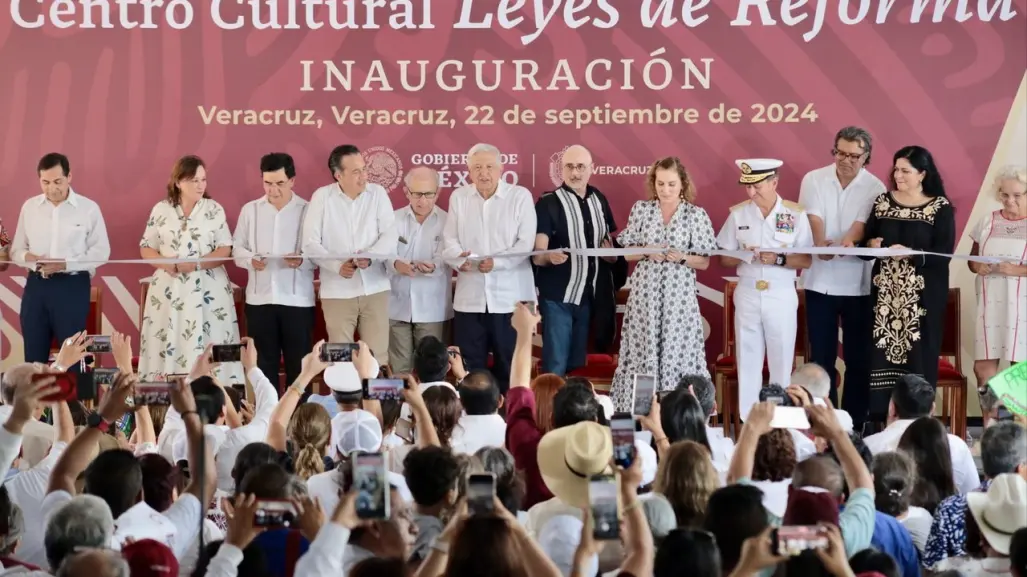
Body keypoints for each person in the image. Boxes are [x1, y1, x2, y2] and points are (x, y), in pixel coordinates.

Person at [609, 157, 717, 411]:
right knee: (643, 354)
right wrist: (647, 252)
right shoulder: (642, 210)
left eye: (671, 184)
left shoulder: (695, 214)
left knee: (677, 354)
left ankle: (678, 414)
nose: (665, 189)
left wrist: (681, 257)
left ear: (682, 184)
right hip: (645, 298)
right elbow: (626, 253)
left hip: (679, 300)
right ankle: (641, 415)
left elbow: (703, 262)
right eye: (660, 183)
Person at [859, 146, 955, 421]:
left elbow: (943, 255)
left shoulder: (940, 207)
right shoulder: (883, 202)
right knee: (879, 355)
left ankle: (918, 420)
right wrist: (872, 243)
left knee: (919, 356)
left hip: (922, 299)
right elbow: (867, 240)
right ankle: (880, 419)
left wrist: (912, 255)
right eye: (896, 168)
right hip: (885, 297)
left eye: (905, 170)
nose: (897, 175)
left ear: (922, 174)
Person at [798, 127, 886, 427]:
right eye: (840, 153)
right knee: (821, 359)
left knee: (857, 361)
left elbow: (861, 223)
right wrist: (820, 244)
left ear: (866, 157)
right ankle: (825, 420)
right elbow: (814, 216)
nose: (845, 160)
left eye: (853, 155)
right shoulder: (813, 178)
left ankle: (853, 422)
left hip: (858, 284)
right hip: (818, 282)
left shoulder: (874, 186)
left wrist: (847, 243)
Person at [717, 158, 813, 420]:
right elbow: (723, 257)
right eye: (747, 187)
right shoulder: (738, 214)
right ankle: (751, 423)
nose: (752, 192)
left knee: (781, 360)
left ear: (774, 183)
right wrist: (744, 255)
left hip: (780, 291)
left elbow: (806, 259)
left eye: (757, 185)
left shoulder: (795, 214)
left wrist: (778, 258)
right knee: (748, 361)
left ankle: (779, 420)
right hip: (748, 290)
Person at [137, 155, 242, 383]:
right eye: (194, 180)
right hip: (168, 290)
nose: (200, 185)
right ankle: (160, 407)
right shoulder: (161, 209)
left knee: (213, 342)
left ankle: (222, 404)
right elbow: (146, 247)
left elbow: (225, 249)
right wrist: (167, 263)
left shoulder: (213, 209)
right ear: (178, 182)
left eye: (203, 180)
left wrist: (195, 263)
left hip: (208, 291)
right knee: (165, 342)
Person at [441, 143, 536, 393]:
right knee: (472, 369)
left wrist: (497, 263)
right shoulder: (459, 197)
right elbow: (448, 240)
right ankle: (475, 420)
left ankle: (511, 421)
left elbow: (526, 244)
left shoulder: (519, 196)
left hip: (511, 301)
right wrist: (460, 259)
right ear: (469, 171)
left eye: (489, 167)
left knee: (511, 366)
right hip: (470, 299)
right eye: (477, 168)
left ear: (501, 168)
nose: (484, 173)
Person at [11, 152, 110, 368]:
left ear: (69, 177)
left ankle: (74, 402)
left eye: (57, 181)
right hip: (36, 286)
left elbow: (102, 251)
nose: (51, 188)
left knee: (73, 356)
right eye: (45, 182)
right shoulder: (29, 208)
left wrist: (66, 264)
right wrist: (29, 258)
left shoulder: (88, 209)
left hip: (72, 286)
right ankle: (36, 402)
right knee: (33, 357)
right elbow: (16, 250)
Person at [302, 144, 397, 367]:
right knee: (340, 359)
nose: (364, 176)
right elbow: (310, 243)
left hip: (375, 287)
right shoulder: (322, 197)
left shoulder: (378, 194)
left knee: (377, 359)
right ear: (338, 175)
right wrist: (337, 266)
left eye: (364, 169)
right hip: (337, 291)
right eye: (356, 172)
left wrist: (371, 256)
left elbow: (390, 235)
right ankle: (345, 403)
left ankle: (378, 402)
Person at [533, 144, 621, 376]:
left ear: (592, 169)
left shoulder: (599, 199)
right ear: (561, 170)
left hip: (588, 299)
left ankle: (572, 412)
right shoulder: (548, 202)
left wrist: (612, 258)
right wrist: (548, 257)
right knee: (555, 366)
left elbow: (609, 246)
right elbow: (537, 255)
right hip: (558, 298)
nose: (575, 173)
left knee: (576, 366)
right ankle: (549, 412)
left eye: (581, 167)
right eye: (570, 167)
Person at [232, 152, 315, 388]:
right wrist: (250, 260)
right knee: (262, 367)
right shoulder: (251, 210)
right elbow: (237, 246)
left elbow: (321, 252)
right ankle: (264, 421)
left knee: (298, 368)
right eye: (267, 183)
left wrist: (302, 260)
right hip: (260, 301)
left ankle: (300, 422)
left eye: (279, 183)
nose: (273, 190)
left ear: (292, 181)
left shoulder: (308, 210)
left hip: (298, 301)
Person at [967, 165, 1026, 412]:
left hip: (1022, 306)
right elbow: (971, 260)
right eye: (1004, 194)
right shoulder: (987, 221)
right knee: (983, 371)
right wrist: (976, 266)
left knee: (1020, 373)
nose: (1009, 200)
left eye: (1017, 195)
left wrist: (1019, 271)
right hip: (989, 305)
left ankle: (1019, 433)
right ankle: (990, 428)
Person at [387, 166, 452, 374]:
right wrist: (396, 264)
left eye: (428, 194)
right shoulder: (392, 219)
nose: (422, 200)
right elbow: (383, 253)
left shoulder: (448, 221)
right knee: (398, 369)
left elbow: (451, 255)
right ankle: (399, 407)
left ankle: (429, 407)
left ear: (438, 192)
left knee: (432, 369)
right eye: (416, 194)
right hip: (396, 304)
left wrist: (435, 265)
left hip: (432, 306)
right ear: (406, 192)